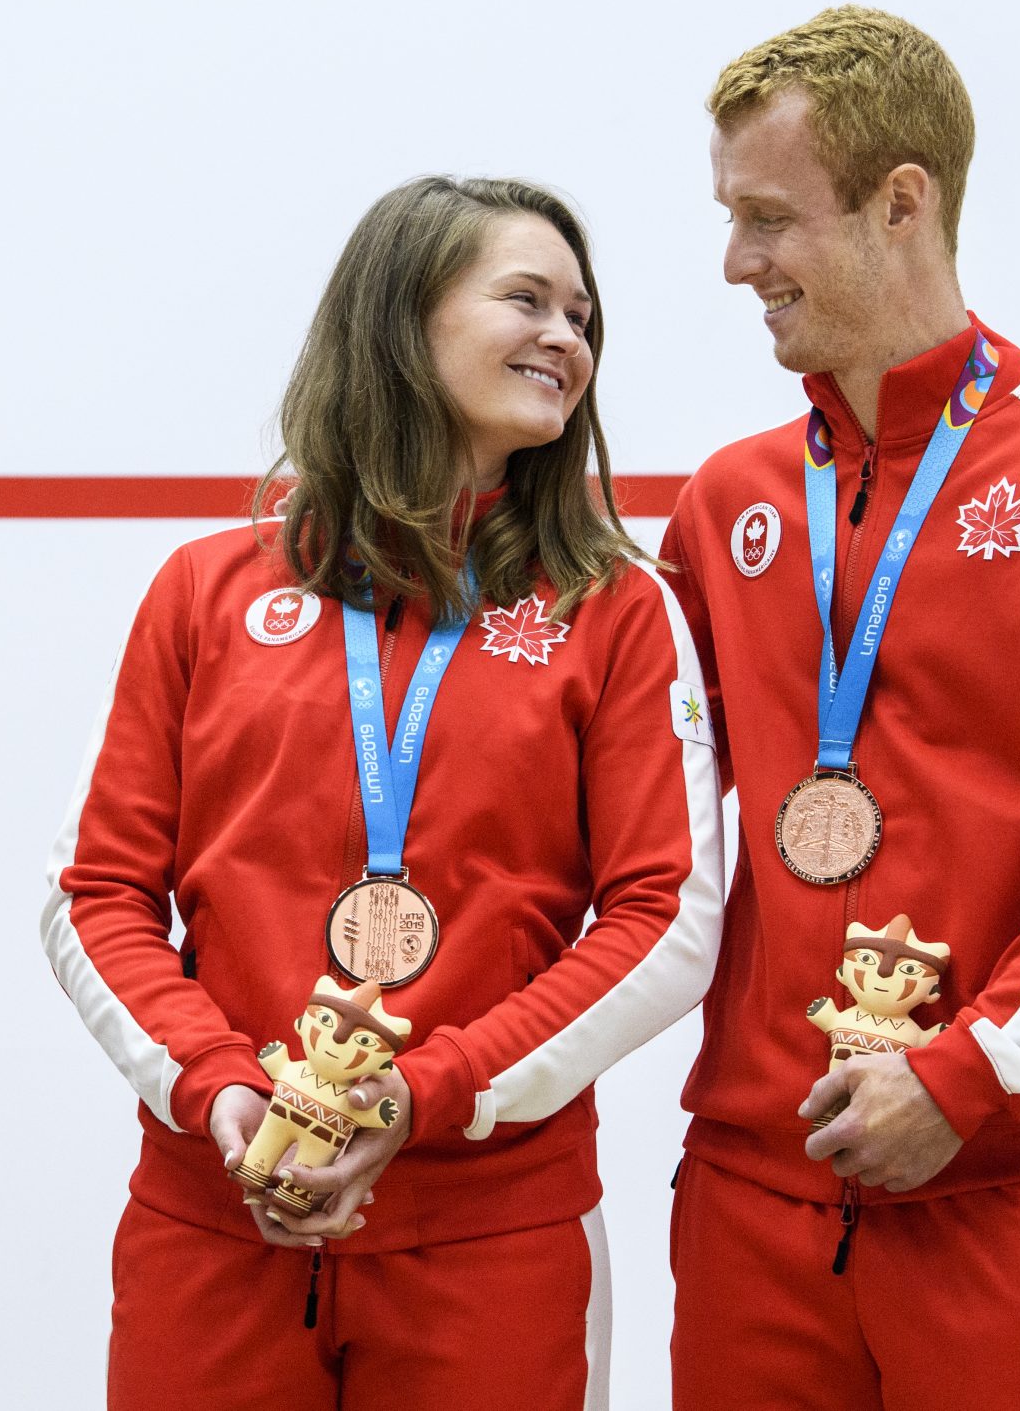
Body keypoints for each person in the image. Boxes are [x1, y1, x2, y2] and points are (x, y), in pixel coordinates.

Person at [42, 175, 724, 1410]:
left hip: (492, 1238)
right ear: (400, 317)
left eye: (583, 315)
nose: (566, 337)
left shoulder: (616, 608)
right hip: (212, 1224)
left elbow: (665, 917)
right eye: (527, 298)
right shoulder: (203, 590)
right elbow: (96, 894)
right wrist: (219, 1086)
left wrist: (430, 1091)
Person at [661, 7, 1020, 1410]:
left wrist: (972, 1069)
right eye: (731, 219)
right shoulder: (724, 503)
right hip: (751, 1201)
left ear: (902, 202)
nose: (737, 264)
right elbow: (625, 820)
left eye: (769, 218)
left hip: (1002, 1184)